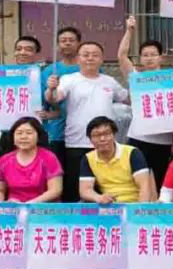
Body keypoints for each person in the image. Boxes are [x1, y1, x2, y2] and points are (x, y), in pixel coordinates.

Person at [46, 40, 130, 201]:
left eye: (95, 55)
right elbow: (54, 98)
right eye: (85, 55)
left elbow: (129, 99)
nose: (90, 58)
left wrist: (142, 84)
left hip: (106, 144)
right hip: (77, 143)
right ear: (78, 58)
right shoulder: (69, 79)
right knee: (75, 191)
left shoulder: (109, 81)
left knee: (104, 190)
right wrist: (50, 89)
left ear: (102, 59)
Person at [117, 15, 173, 193]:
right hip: (138, 138)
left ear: (161, 58)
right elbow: (122, 56)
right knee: (134, 182)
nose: (149, 58)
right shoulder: (136, 78)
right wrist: (129, 31)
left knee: (162, 183)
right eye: (145, 55)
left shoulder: (172, 81)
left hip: (163, 141)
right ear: (140, 58)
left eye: (153, 55)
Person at [0, 34, 57, 156]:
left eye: (28, 49)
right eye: (18, 49)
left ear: (37, 54)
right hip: (9, 132)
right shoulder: (3, 75)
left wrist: (48, 114)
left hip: (36, 133)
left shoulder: (46, 77)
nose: (22, 52)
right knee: (7, 166)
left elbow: (59, 110)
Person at [78, 116, 154, 203]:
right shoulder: (88, 159)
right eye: (97, 135)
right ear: (90, 139)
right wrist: (98, 198)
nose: (102, 139)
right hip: (108, 205)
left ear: (114, 135)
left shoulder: (132, 153)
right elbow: (85, 190)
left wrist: (139, 209)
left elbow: (144, 188)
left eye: (106, 134)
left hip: (133, 204)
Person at [0, 116, 63, 202]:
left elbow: (55, 190)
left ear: (38, 136)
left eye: (29, 133)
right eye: (19, 133)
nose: (23, 137)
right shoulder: (5, 160)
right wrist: (3, 204)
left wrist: (29, 204)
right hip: (13, 206)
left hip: (42, 207)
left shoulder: (49, 158)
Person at [39, 26, 82, 161]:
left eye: (71, 40)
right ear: (58, 45)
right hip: (57, 131)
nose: (67, 43)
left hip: (83, 132)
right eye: (63, 41)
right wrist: (49, 113)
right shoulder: (49, 71)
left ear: (79, 43)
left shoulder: (89, 68)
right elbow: (42, 101)